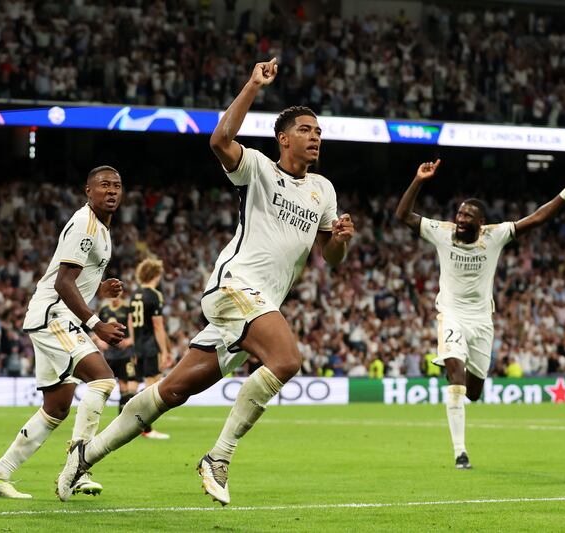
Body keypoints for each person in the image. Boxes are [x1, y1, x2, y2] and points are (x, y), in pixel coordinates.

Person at [57, 58, 355, 505]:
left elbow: (330, 257)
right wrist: (253, 84)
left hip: (257, 305)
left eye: (319, 132)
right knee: (287, 359)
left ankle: (83, 456)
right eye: (307, 130)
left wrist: (342, 241)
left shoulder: (323, 190)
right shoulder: (257, 167)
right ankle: (219, 456)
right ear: (284, 138)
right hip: (235, 286)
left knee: (171, 391)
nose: (316, 137)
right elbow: (219, 139)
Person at [395, 159, 565, 469]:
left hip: (482, 321)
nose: (460, 218)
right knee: (454, 373)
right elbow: (402, 215)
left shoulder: (495, 236)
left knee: (473, 392)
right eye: (459, 213)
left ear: (480, 222)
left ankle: (461, 388)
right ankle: (460, 452)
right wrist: (418, 180)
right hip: (451, 314)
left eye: (468, 215)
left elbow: (537, 218)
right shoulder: (442, 232)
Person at [0, 166, 127, 499]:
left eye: (117, 186)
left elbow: (73, 279)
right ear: (88, 191)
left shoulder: (102, 228)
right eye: (104, 185)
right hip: (55, 316)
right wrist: (97, 325)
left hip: (56, 315)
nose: (112, 191)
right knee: (102, 380)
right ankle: (78, 466)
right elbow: (62, 283)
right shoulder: (86, 225)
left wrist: (99, 290)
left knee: (57, 407)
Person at [129, 258, 171, 439]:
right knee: (151, 386)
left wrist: (133, 342)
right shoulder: (154, 295)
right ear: (156, 274)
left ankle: (132, 423)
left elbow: (131, 321)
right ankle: (146, 429)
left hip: (138, 346)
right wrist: (164, 351)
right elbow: (158, 326)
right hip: (150, 346)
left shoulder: (134, 295)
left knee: (134, 385)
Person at [97, 294, 138, 415]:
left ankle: (123, 416)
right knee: (102, 385)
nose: (115, 298)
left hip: (124, 353)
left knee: (124, 386)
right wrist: (99, 341)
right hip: (109, 354)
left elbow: (134, 330)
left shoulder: (127, 310)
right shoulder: (104, 310)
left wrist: (130, 341)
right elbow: (96, 329)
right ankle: (93, 413)